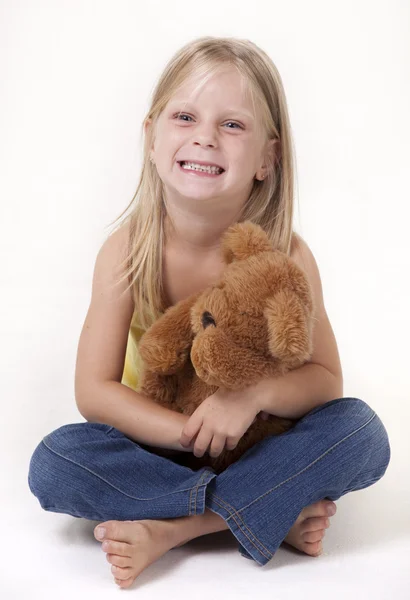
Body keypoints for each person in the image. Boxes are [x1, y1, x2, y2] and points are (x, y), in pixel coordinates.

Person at [27, 36, 391, 589]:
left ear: (269, 158)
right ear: (151, 137)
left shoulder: (284, 255)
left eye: (233, 125)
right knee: (56, 461)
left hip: (263, 438)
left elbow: (325, 382)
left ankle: (176, 529)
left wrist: (251, 398)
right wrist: (187, 433)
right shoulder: (127, 252)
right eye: (186, 116)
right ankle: (266, 509)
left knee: (361, 432)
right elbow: (94, 391)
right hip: (163, 445)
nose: (204, 137)